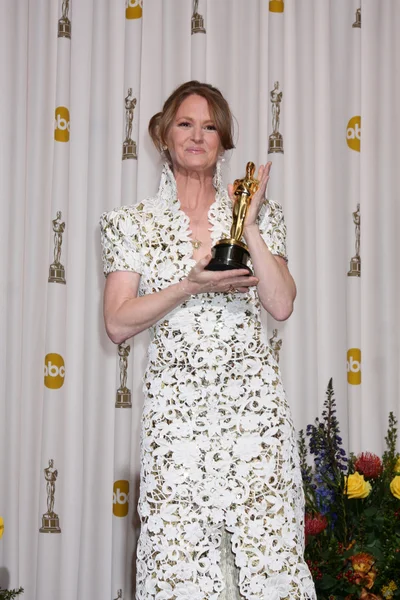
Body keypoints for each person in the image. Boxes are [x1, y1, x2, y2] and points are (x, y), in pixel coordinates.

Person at [100, 80, 316, 600]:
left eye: (210, 126)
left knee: (268, 563)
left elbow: (281, 303)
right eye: (185, 123)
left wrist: (250, 217)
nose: (198, 136)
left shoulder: (264, 214)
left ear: (224, 141)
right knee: (178, 567)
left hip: (254, 415)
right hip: (177, 420)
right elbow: (118, 322)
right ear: (164, 135)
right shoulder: (131, 223)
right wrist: (189, 285)